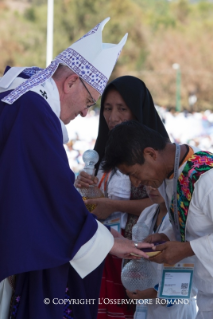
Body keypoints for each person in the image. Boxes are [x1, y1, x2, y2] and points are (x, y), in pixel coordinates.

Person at [0, 19, 154, 319]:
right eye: (89, 101)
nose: (85, 112)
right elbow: (53, 197)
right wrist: (110, 243)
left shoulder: (20, 90)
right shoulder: (34, 113)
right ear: (70, 82)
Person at [75, 76, 169, 319]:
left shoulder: (157, 154)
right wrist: (90, 192)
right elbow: (98, 208)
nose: (113, 117)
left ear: (138, 111)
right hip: (102, 255)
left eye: (122, 108)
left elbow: (163, 201)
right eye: (107, 108)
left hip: (138, 259)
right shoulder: (99, 153)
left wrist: (111, 205)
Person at [102, 120, 213, 319]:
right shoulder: (171, 177)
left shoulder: (206, 178)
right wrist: (168, 236)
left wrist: (186, 249)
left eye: (134, 174)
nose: (136, 183)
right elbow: (195, 223)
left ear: (151, 154)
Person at [126, 186, 197, 319]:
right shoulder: (148, 212)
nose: (151, 188)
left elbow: (192, 269)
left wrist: (154, 292)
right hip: (146, 302)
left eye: (157, 183)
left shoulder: (185, 216)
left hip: (175, 307)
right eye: (147, 183)